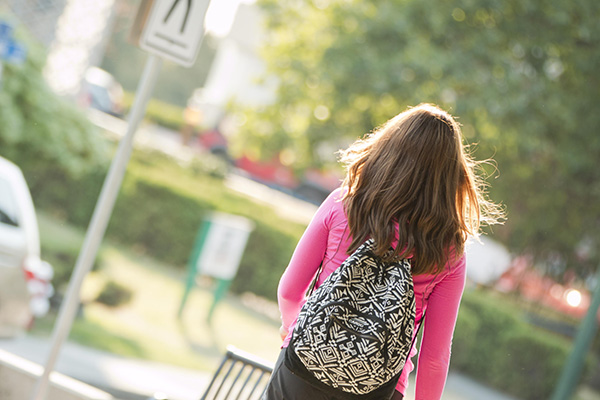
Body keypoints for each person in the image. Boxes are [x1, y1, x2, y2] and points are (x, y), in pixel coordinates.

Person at [263, 103, 504, 400]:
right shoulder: (449, 250)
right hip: (381, 386)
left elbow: (290, 290)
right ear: (450, 177)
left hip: (303, 368)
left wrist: (292, 330)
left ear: (388, 149)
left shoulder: (344, 205)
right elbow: (434, 357)